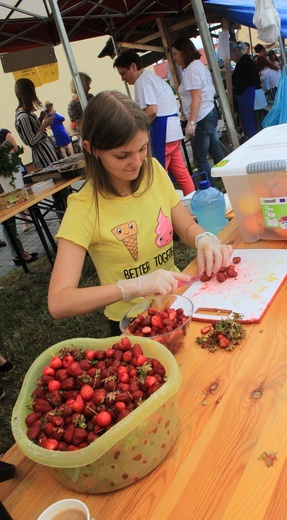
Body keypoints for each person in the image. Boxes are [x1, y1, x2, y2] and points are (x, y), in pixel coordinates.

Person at [48, 91, 232, 335]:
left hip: (177, 302)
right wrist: (130, 287)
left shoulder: (153, 170)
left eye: (142, 148)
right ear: (91, 149)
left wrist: (202, 239)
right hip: (134, 323)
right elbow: (60, 302)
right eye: (122, 155)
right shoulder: (84, 207)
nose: (136, 162)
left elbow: (186, 227)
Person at [113, 50, 195, 195]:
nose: (122, 78)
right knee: (181, 172)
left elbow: (151, 110)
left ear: (133, 66)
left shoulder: (142, 81)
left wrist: (135, 129)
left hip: (162, 131)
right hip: (172, 130)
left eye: (123, 73)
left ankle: (165, 208)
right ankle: (194, 200)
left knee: (158, 175)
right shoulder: (152, 77)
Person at [171, 36, 225, 187]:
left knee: (200, 160)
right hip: (209, 112)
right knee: (216, 152)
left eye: (176, 54)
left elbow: (197, 96)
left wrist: (191, 122)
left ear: (183, 52)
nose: (174, 58)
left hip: (201, 117)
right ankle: (227, 182)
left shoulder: (191, 70)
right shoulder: (198, 66)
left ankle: (211, 190)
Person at [0, 128, 38, 265]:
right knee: (7, 220)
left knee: (9, 220)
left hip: (11, 176)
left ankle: (19, 252)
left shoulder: (3, 133)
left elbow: (15, 150)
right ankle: (18, 253)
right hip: (5, 181)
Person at [14, 78, 58, 169]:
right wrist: (44, 125)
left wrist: (41, 119)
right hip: (43, 156)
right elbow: (31, 142)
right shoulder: (23, 117)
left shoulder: (27, 113)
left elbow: (33, 131)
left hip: (47, 152)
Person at [230, 41, 263, 137]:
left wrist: (233, 92)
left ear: (235, 51)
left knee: (250, 123)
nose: (231, 58)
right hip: (245, 96)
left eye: (231, 55)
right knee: (248, 123)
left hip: (248, 96)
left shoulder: (244, 62)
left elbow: (242, 84)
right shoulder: (243, 61)